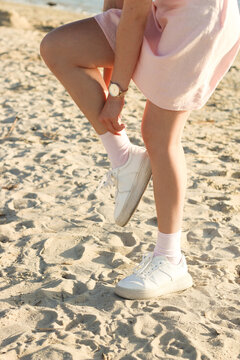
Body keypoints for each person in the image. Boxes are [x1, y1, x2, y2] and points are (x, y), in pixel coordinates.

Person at [40, 0, 240, 300]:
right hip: (158, 12)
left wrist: (117, 93)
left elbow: (134, 16)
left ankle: (170, 259)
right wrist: (109, 79)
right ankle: (124, 158)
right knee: (59, 47)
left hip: (196, 21)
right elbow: (118, 5)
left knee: (159, 135)